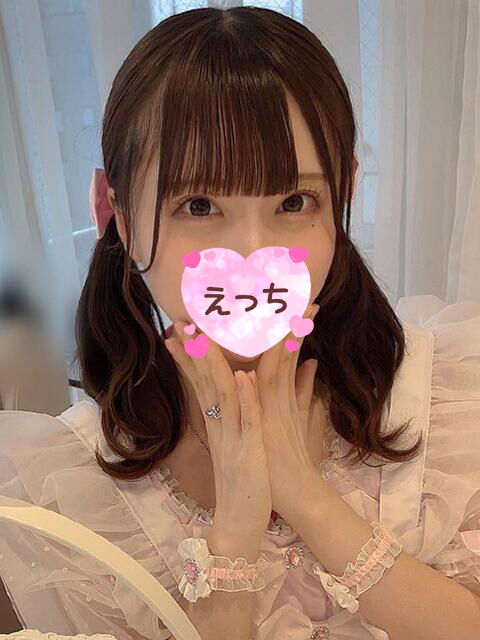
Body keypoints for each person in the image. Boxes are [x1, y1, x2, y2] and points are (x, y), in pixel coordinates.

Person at [0, 6, 479, 640]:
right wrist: (233, 536)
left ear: (343, 196)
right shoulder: (74, 489)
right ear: (115, 214)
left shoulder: (445, 399)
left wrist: (308, 498)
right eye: (199, 204)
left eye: (294, 201)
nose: (253, 251)